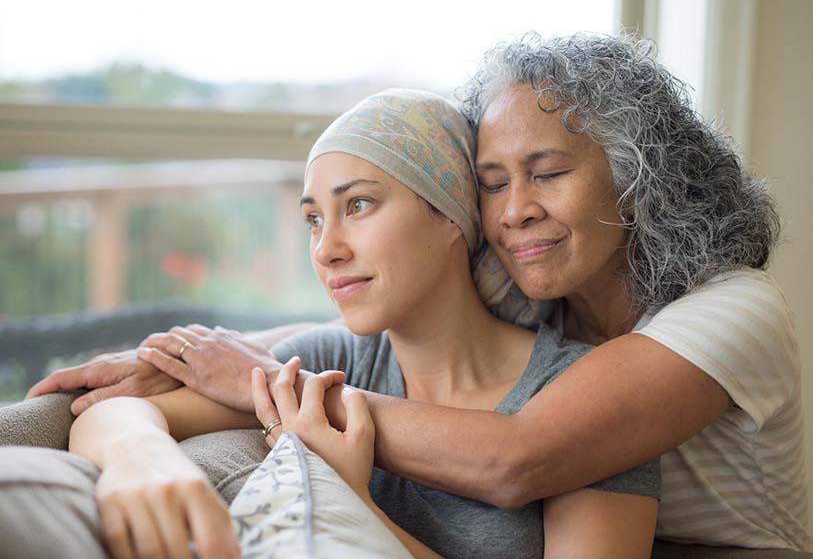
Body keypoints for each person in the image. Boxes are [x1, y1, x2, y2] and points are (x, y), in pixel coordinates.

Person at [25, 33, 811, 551]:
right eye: (492, 183)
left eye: (547, 173)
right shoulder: (537, 287)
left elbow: (520, 456)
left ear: (638, 178)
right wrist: (177, 368)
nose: (512, 212)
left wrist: (274, 389)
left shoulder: (733, 309)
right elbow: (368, 333)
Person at [66, 89, 660, 559]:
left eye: (358, 205)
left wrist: (354, 506)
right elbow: (111, 411)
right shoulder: (328, 362)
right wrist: (141, 459)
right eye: (313, 220)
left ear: (451, 214)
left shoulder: (578, 401)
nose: (326, 249)